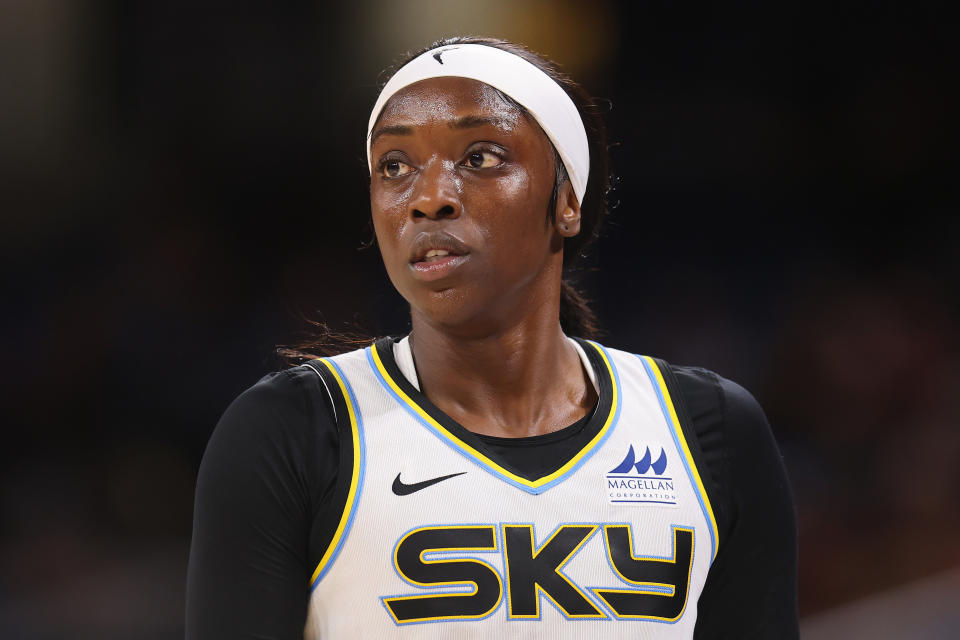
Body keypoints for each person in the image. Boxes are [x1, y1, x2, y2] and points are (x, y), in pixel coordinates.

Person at [185, 36, 799, 639]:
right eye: (394, 166)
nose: (428, 198)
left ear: (566, 201)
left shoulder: (706, 429)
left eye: (479, 157)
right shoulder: (295, 428)